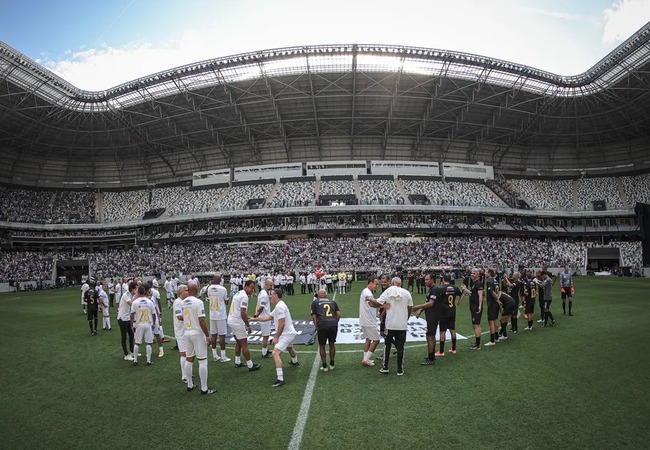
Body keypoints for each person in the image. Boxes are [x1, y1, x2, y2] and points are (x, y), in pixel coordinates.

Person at [249, 289, 299, 387]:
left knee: (275, 353)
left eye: (271, 295)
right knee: (289, 347)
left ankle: (280, 379)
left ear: (276, 295)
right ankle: (295, 361)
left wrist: (276, 337)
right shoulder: (279, 306)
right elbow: (268, 317)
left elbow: (282, 323)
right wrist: (254, 319)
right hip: (288, 332)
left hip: (286, 334)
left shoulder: (279, 306)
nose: (270, 297)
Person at [180, 282, 215, 395]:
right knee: (202, 360)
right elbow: (201, 320)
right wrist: (207, 335)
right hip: (197, 333)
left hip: (187, 332)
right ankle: (204, 388)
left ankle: (190, 385)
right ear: (196, 290)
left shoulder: (183, 302)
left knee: (189, 358)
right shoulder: (198, 302)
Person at [377, 277, 413, 376]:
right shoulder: (407, 293)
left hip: (390, 324)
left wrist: (370, 300)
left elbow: (379, 302)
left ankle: (385, 367)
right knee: (400, 347)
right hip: (402, 324)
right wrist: (406, 318)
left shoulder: (389, 290)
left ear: (392, 283)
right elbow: (410, 308)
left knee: (387, 345)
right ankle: (400, 369)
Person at [227, 280, 261, 371]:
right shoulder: (244, 296)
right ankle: (250, 365)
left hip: (231, 319)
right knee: (244, 343)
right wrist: (248, 325)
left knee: (238, 341)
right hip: (237, 321)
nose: (252, 290)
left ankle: (237, 361)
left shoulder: (238, 293)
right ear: (246, 286)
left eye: (253, 289)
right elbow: (243, 312)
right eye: (251, 288)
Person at [311, 288, 341, 372]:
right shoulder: (332, 302)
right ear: (326, 294)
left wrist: (316, 326)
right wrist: (335, 321)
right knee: (332, 344)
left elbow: (314, 316)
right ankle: (332, 364)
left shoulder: (315, 302)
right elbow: (338, 314)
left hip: (322, 324)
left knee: (322, 345)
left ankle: (324, 366)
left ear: (318, 295)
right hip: (333, 324)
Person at [206, 274, 231, 363]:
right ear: (220, 280)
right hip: (220, 315)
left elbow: (209, 298)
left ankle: (214, 355)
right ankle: (223, 356)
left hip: (212, 314)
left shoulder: (209, 288)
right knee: (222, 335)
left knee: (213, 335)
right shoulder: (223, 289)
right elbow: (227, 301)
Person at [436, 274, 463, 356]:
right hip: (452, 311)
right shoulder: (455, 287)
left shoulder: (441, 289)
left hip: (444, 312)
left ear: (443, 279)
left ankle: (441, 351)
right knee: (452, 329)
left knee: (442, 331)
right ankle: (454, 349)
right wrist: (457, 304)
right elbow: (462, 295)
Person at [130, 284, 157, 366]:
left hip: (139, 324)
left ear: (138, 292)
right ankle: (148, 361)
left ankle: (135, 360)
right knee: (148, 343)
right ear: (145, 292)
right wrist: (153, 323)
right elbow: (154, 314)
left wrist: (131, 325)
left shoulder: (135, 302)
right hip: (148, 324)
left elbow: (132, 315)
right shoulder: (149, 302)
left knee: (137, 343)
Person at [359, 277, 381, 367]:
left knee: (368, 339)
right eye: (376, 284)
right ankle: (366, 359)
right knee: (376, 340)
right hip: (369, 321)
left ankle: (365, 358)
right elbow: (370, 300)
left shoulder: (365, 291)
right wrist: (382, 304)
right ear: (370, 283)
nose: (377, 286)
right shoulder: (367, 292)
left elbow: (371, 304)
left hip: (364, 320)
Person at [461, 268, 483, 350]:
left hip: (476, 307)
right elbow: (471, 293)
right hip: (473, 306)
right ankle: (477, 343)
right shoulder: (474, 284)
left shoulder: (478, 283)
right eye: (472, 273)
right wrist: (465, 289)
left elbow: (480, 295)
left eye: (474, 273)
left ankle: (478, 345)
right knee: (476, 325)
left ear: (478, 275)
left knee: (476, 325)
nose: (472, 275)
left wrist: (480, 306)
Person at [117, 281, 137, 361]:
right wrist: (137, 296)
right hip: (122, 318)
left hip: (127, 318)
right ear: (132, 289)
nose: (137, 289)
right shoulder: (126, 295)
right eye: (136, 288)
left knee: (131, 335)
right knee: (124, 337)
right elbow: (131, 304)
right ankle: (126, 354)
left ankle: (132, 352)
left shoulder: (131, 295)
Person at [174, 284, 189, 383]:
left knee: (188, 353)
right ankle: (184, 376)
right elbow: (179, 317)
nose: (188, 292)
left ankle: (187, 372)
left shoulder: (186, 301)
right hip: (180, 331)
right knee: (183, 353)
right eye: (186, 290)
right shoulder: (177, 302)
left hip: (187, 330)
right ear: (181, 292)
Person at [255, 278, 274, 359]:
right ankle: (264, 353)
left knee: (266, 335)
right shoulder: (264, 294)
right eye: (270, 285)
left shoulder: (262, 293)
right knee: (265, 336)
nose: (271, 287)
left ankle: (265, 350)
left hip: (264, 316)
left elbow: (258, 305)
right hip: (264, 317)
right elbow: (261, 307)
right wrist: (257, 315)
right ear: (266, 284)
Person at [484, 269, 500, 347]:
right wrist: (498, 300)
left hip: (492, 303)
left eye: (486, 272)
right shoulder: (496, 281)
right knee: (494, 320)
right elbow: (498, 291)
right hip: (495, 304)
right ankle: (496, 337)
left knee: (491, 322)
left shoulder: (489, 281)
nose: (485, 273)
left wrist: (496, 299)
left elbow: (492, 292)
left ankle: (492, 340)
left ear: (489, 273)